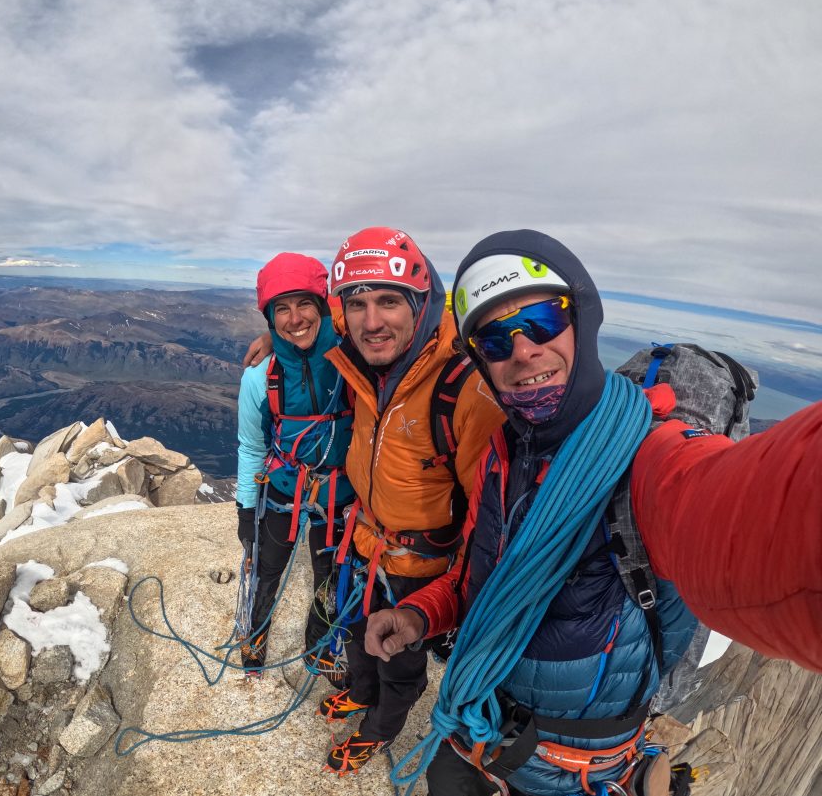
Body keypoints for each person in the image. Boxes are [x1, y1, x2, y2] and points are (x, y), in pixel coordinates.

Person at [365, 229, 822, 795]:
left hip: (571, 775)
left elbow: (746, 511)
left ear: (582, 318)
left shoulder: (643, 457)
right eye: (495, 338)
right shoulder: (504, 456)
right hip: (483, 742)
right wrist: (423, 614)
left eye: (541, 321)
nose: (523, 351)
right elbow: (491, 578)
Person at [315, 227, 504, 776]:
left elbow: (486, 515)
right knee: (357, 634)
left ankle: (378, 729)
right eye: (358, 303)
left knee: (399, 662)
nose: (372, 321)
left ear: (421, 304)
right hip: (367, 545)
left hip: (422, 568)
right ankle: (359, 692)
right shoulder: (364, 370)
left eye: (389, 301)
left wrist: (452, 599)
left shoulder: (464, 391)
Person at [235, 252, 355, 682]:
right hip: (284, 487)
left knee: (330, 572)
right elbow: (251, 447)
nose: (294, 318)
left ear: (323, 305)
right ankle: (255, 639)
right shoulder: (259, 377)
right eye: (280, 309)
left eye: (304, 303)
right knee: (267, 567)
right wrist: (246, 510)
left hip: (340, 492)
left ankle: (318, 650)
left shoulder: (354, 357)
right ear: (269, 318)